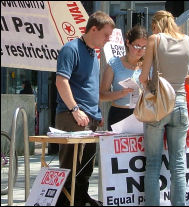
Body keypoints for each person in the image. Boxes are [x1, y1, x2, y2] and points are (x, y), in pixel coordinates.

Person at [139, 10, 189, 206]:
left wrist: (159, 82)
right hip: (181, 105)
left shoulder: (154, 40)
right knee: (178, 164)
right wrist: (178, 80)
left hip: (159, 106)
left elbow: (143, 78)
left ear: (156, 25)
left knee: (153, 164)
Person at [55, 11, 115, 206]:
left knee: (86, 165)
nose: (108, 39)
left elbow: (90, 88)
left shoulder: (94, 54)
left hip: (90, 117)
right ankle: (65, 202)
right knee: (71, 165)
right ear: (94, 29)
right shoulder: (70, 49)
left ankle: (80, 198)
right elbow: (61, 81)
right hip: (71, 116)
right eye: (106, 35)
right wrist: (75, 109)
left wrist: (97, 113)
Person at [100, 25, 148, 131]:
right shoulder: (114, 63)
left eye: (144, 47)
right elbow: (102, 95)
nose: (140, 51)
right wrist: (121, 93)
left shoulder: (148, 66)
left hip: (141, 115)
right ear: (128, 43)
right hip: (118, 114)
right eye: (137, 46)